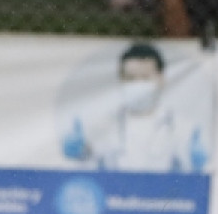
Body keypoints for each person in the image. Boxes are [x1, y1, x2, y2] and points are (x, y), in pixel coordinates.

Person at [62, 42, 210, 172]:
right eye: (131, 79)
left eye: (145, 78)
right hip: (116, 200)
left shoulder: (180, 127)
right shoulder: (103, 124)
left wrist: (196, 164)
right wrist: (80, 150)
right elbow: (89, 162)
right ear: (121, 79)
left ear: (161, 79)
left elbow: (191, 173)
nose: (138, 84)